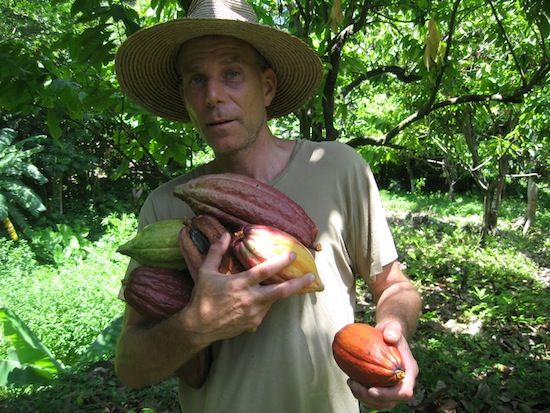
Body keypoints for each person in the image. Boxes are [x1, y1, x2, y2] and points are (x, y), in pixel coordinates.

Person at [114, 0, 422, 412]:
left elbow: (395, 286)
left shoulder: (338, 168)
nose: (213, 95)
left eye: (232, 73)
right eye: (195, 79)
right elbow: (130, 366)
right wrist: (195, 325)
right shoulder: (164, 208)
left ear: (269, 85)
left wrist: (392, 331)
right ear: (185, 98)